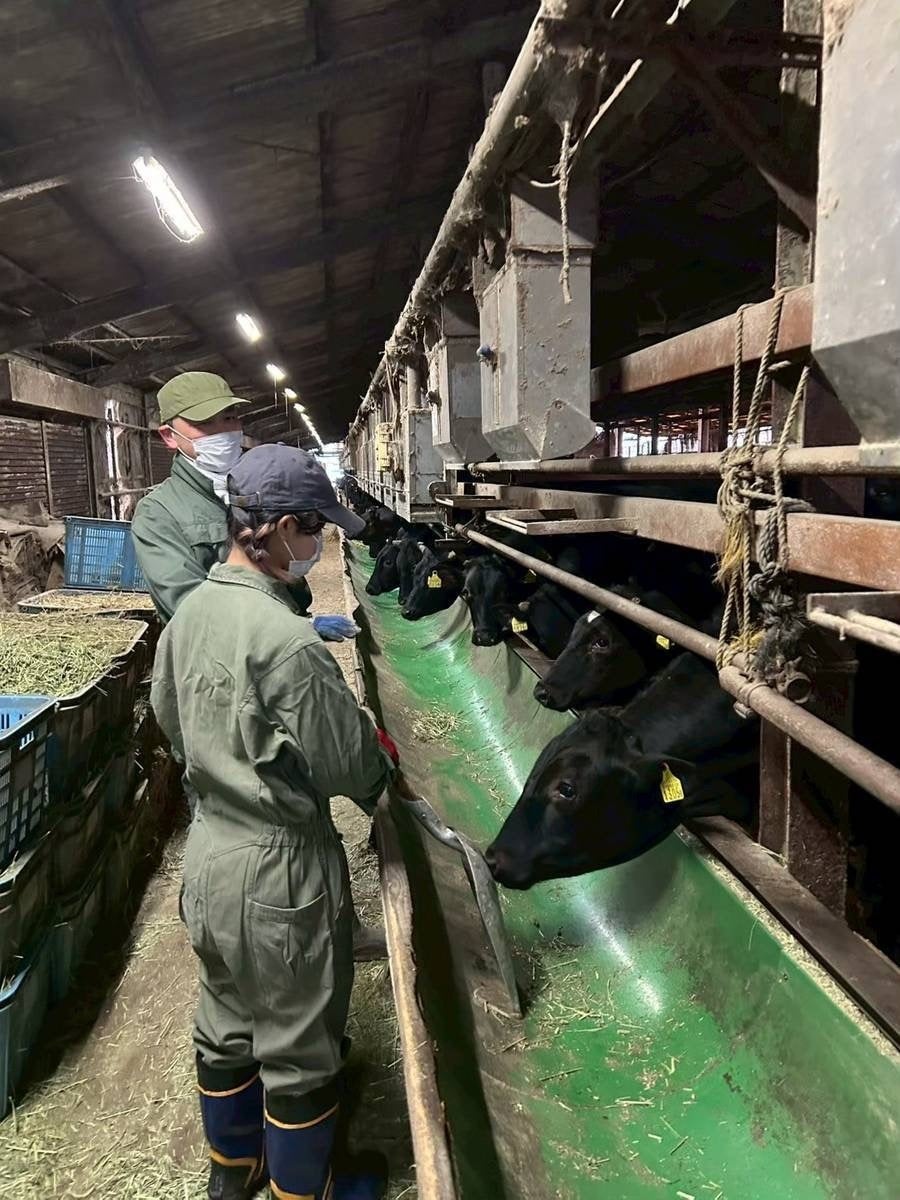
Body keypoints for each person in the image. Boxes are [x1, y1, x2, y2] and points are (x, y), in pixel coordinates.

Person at [150, 444, 400, 1200]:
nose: (318, 543)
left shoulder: (189, 612)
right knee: (299, 1047)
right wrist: (380, 765)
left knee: (226, 1017)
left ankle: (235, 1172)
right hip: (279, 867)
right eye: (315, 528)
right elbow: (349, 767)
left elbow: (169, 716)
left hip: (211, 855)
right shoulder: (287, 642)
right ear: (283, 527)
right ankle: (307, 1190)